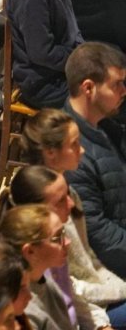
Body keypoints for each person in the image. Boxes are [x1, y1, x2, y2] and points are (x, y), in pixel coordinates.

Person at [21, 110, 126, 325]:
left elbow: (88, 260)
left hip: (96, 295)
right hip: (81, 309)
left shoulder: (68, 193)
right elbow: (64, 288)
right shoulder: (38, 211)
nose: (83, 150)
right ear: (51, 153)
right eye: (75, 144)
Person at [62, 42, 126, 281]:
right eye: (116, 84)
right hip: (107, 273)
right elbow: (98, 236)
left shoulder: (107, 126)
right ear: (88, 88)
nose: (124, 91)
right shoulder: (72, 155)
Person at [0, 204, 85, 330]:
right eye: (57, 238)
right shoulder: (22, 308)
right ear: (30, 251)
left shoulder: (44, 277)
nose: (68, 242)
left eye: (64, 233)